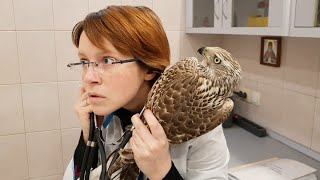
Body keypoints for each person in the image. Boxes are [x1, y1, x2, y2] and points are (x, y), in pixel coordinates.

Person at [63, 5, 230, 180]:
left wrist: (162, 172)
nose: (89, 77)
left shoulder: (198, 121)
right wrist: (88, 138)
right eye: (84, 62)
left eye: (107, 60)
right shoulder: (103, 118)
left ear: (149, 68)